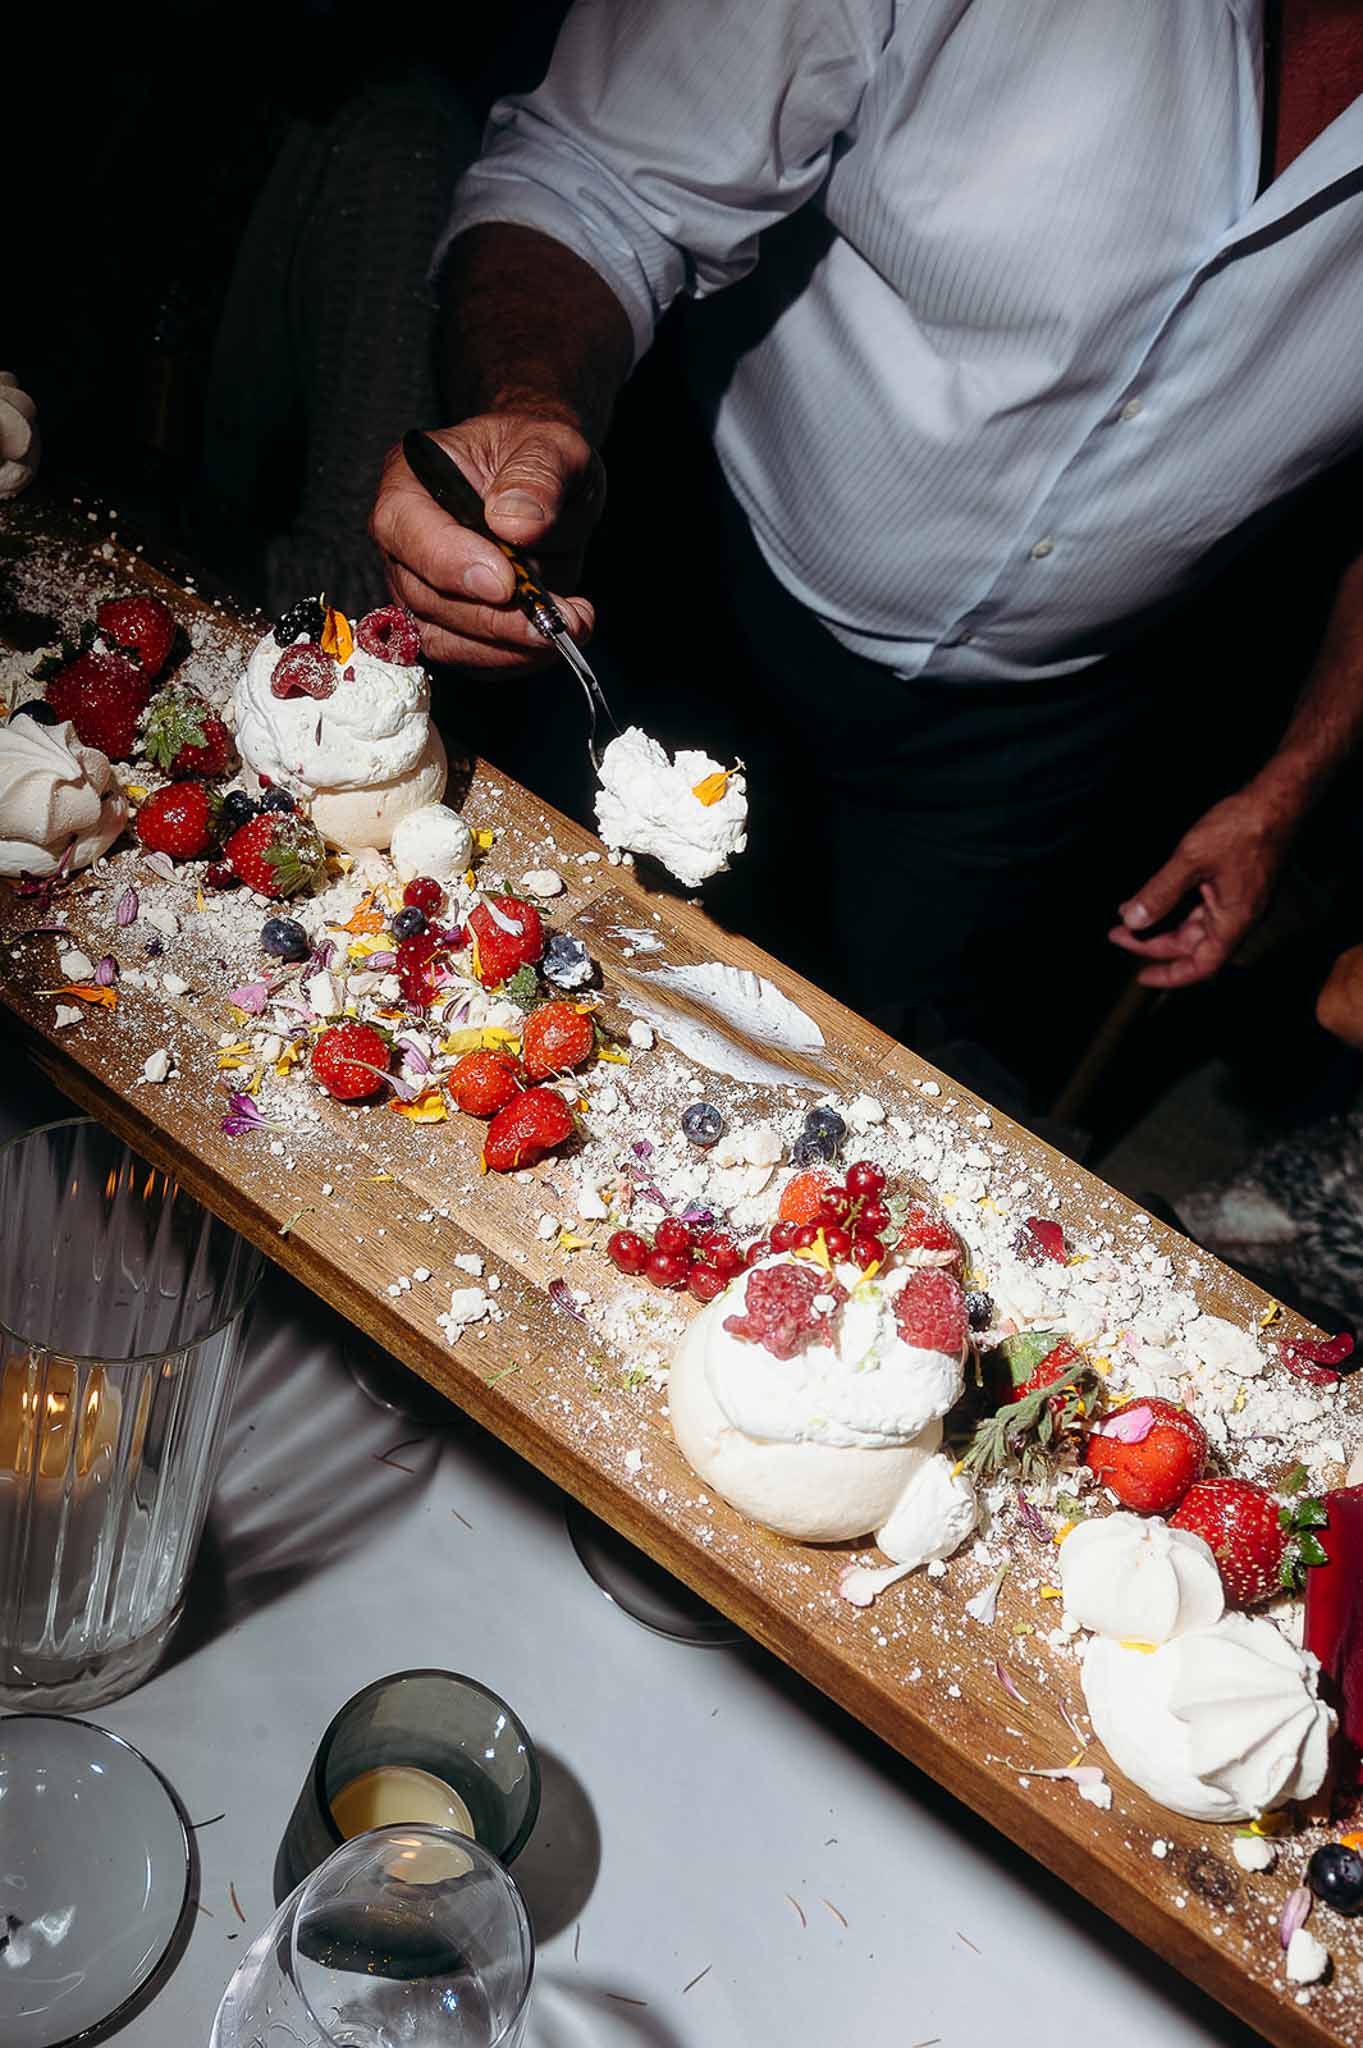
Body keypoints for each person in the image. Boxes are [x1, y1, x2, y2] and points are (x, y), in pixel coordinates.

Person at [370, 0, 1363, 1097]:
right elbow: (592, 182)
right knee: (520, 980)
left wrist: (1289, 783)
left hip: (1038, 743)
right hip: (691, 578)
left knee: (882, 1084)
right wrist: (529, 402)